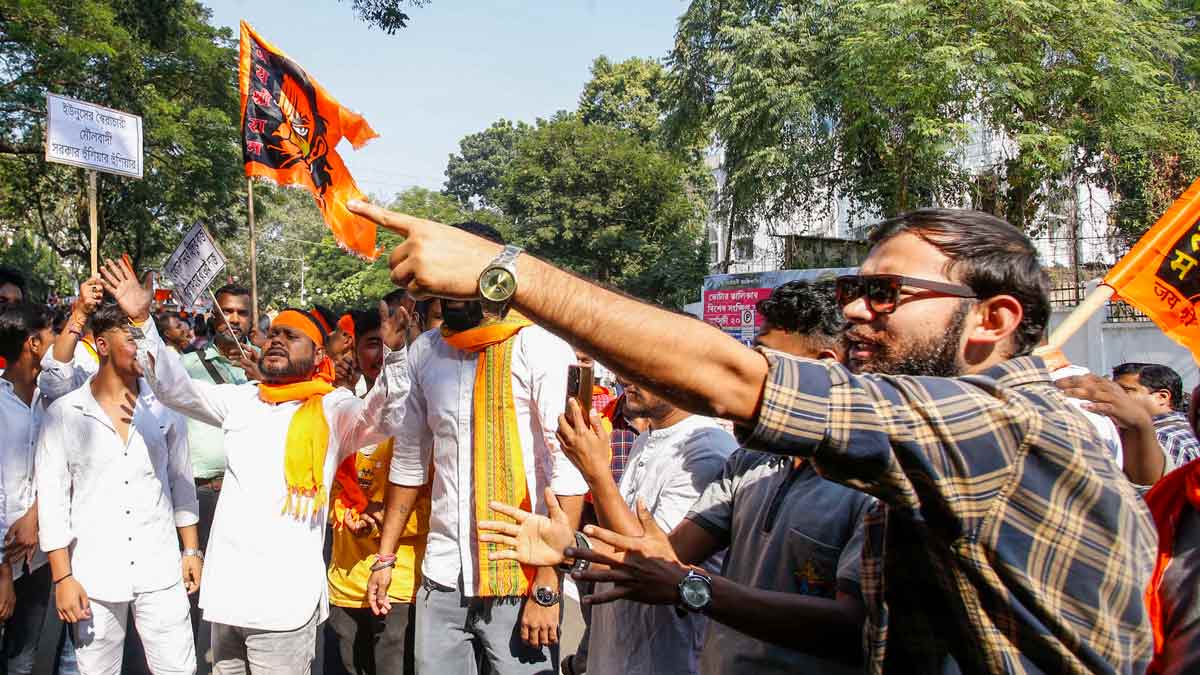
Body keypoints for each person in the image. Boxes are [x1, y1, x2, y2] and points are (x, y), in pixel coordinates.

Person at [349, 200, 1158, 673]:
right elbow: (852, 622)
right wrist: (630, 558)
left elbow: (735, 381)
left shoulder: (1007, 426)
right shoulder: (906, 463)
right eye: (850, 290)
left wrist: (507, 270)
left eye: (883, 293)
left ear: (994, 318)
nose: (851, 313)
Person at [487, 279, 875, 674]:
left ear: (824, 366)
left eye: (766, 365)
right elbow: (658, 562)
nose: (748, 378)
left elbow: (852, 628)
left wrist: (597, 475)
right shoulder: (750, 465)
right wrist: (571, 547)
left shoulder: (865, 483)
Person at [100, 257, 411, 675]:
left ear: (318, 353)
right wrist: (143, 321)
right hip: (229, 596)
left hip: (284, 606)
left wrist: (395, 355)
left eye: (293, 336)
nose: (278, 340)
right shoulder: (242, 399)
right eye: (275, 333)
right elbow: (175, 389)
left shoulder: (334, 408)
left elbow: (386, 416)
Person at [366, 222, 589, 675]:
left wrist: (547, 585)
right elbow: (410, 461)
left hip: (521, 576)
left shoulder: (539, 345)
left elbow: (566, 470)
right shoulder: (425, 352)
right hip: (442, 577)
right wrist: (384, 559)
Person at [36, 301, 201, 674]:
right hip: (94, 575)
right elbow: (53, 502)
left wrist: (191, 549)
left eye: (146, 337)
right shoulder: (65, 413)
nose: (142, 347)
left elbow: (180, 480)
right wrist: (63, 577)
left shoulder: (165, 408)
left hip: (160, 570)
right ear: (102, 344)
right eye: (131, 336)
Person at [559, 375, 737, 674]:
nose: (622, 376)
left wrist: (597, 473)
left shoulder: (705, 450)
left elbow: (650, 563)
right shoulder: (648, 438)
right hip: (618, 654)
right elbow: (619, 541)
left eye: (639, 366)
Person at [326, 309, 431, 675]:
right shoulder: (340, 411)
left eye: (390, 347)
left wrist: (380, 520)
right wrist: (341, 512)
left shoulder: (421, 417)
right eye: (373, 344)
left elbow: (430, 504)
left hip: (397, 585)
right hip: (343, 581)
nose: (381, 355)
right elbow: (319, 487)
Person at [0, 302, 57, 673]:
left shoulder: (51, 400)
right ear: (33, 343)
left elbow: (55, 472)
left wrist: (35, 517)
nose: (59, 340)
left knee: (22, 660)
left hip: (36, 558)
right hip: (4, 560)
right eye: (53, 332)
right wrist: (3, 571)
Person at [1113, 363, 1200, 468]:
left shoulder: (1161, 437)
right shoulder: (1186, 428)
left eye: (1125, 390)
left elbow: (1158, 484)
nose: (1114, 397)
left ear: (1162, 397)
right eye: (1113, 391)